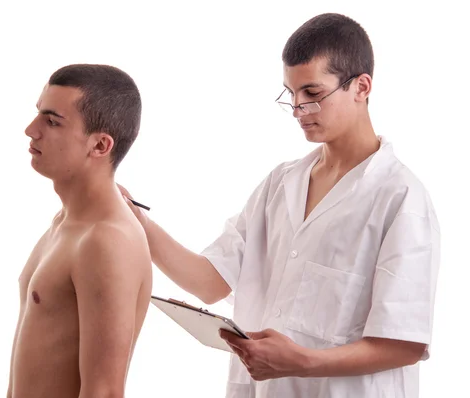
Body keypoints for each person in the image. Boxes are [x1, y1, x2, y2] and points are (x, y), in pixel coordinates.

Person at [119, 13, 440, 398]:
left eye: (312, 93)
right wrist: (136, 220)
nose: (297, 109)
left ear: (361, 86)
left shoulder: (401, 198)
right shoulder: (281, 183)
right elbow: (209, 282)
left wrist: (302, 361)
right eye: (291, 94)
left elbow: (403, 343)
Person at [7, 64, 152, 398]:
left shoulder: (106, 241)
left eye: (52, 121)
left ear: (100, 146)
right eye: (37, 114)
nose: (31, 130)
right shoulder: (66, 222)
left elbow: (104, 392)